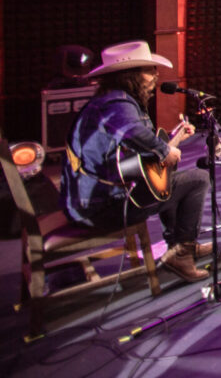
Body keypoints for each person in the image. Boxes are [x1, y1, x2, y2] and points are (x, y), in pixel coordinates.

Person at [61, 41, 211, 282]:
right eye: (149, 70)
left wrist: (176, 139)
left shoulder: (113, 102)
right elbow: (141, 138)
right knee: (198, 179)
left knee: (169, 180)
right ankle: (181, 253)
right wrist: (164, 149)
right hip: (99, 208)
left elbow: (144, 161)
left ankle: (181, 246)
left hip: (93, 202)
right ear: (130, 75)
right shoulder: (117, 104)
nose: (156, 75)